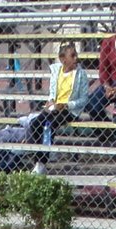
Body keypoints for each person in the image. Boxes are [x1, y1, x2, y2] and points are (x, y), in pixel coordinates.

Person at [28, 42, 87, 173]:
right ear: (63, 59)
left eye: (75, 55)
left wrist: (66, 104)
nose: (76, 58)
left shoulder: (81, 74)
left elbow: (84, 99)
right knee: (35, 123)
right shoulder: (56, 71)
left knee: (50, 124)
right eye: (72, 55)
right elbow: (52, 91)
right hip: (54, 107)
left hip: (69, 109)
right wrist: (50, 101)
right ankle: (38, 160)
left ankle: (42, 162)